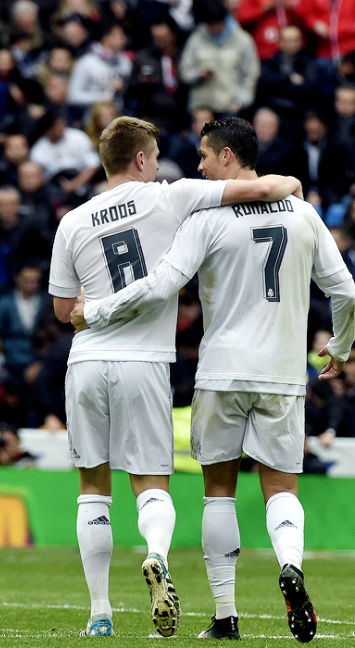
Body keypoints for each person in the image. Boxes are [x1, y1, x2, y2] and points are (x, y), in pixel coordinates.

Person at [69, 117, 355, 642]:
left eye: (204, 156)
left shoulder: (205, 219)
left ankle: (225, 617)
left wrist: (97, 311)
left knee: (218, 494)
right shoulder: (304, 215)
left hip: (221, 372)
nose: (197, 165)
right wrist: (339, 346)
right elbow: (347, 291)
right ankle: (290, 563)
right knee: (281, 488)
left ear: (227, 157)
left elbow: (159, 289)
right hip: (283, 375)